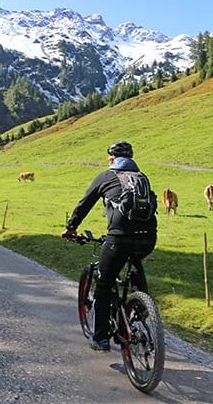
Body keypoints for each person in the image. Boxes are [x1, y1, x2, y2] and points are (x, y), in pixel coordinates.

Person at [62, 140, 158, 352]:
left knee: (104, 283)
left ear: (112, 159)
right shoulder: (142, 177)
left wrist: (71, 228)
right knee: (134, 259)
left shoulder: (106, 176)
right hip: (148, 238)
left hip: (119, 238)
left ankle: (100, 338)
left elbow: (84, 203)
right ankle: (140, 308)